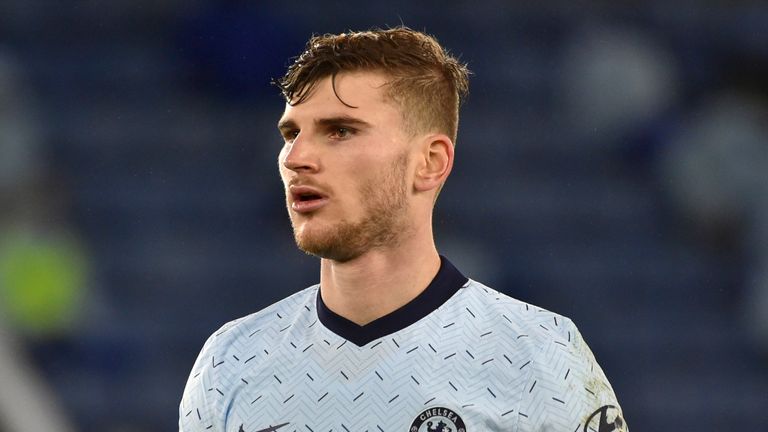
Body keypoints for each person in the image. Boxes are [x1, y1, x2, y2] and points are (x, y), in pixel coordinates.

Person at [179, 27, 627, 432]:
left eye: (339, 131)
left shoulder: (540, 354)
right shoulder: (231, 362)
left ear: (430, 163)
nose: (297, 158)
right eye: (291, 133)